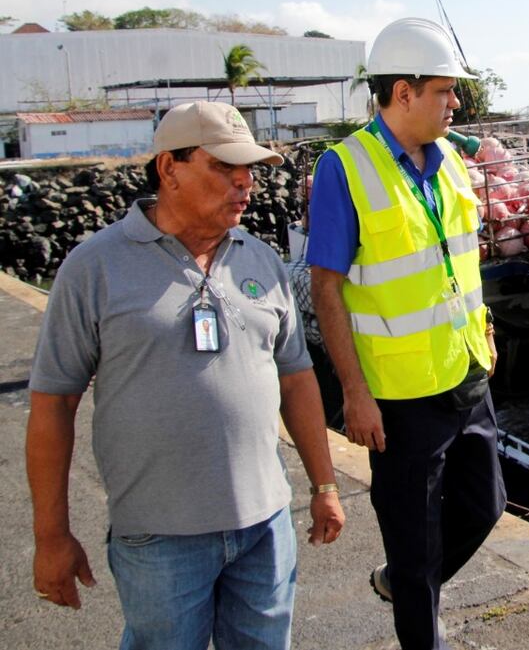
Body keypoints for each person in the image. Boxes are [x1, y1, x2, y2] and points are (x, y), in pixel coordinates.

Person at [26, 100, 345, 649]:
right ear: (168, 168)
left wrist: (324, 486)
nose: (245, 182)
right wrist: (51, 536)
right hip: (159, 539)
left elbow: (296, 380)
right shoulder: (94, 268)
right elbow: (53, 404)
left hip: (266, 527)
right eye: (224, 167)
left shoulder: (261, 260)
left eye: (250, 169)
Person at [308, 17, 505, 650]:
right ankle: (416, 604)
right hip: (400, 395)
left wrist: (488, 326)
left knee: (486, 504)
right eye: (445, 91)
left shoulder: (447, 160)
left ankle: (405, 580)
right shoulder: (346, 169)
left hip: (468, 369)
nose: (455, 103)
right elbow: (327, 287)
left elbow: (458, 260)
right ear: (403, 93)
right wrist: (355, 393)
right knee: (414, 538)